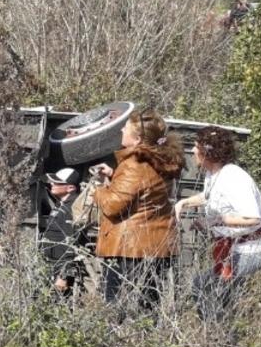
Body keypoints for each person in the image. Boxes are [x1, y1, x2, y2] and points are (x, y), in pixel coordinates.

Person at [93, 108, 184, 317]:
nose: (122, 130)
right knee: (147, 309)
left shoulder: (134, 164)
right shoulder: (160, 160)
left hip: (129, 249)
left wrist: (98, 190)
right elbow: (146, 189)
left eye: (126, 128)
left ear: (138, 139)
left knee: (118, 311)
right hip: (155, 246)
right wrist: (115, 175)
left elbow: (112, 206)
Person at [174, 126, 261, 318]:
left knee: (208, 287)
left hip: (249, 250)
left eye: (196, 146)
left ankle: (217, 334)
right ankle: (218, 330)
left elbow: (253, 218)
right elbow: (210, 196)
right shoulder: (214, 174)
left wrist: (219, 221)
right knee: (210, 289)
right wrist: (185, 202)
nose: (193, 151)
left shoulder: (233, 177)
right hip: (230, 249)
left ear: (207, 151)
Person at [40, 168, 92, 296]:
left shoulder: (73, 208)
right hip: (51, 264)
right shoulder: (60, 204)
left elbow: (72, 243)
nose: (52, 184)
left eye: (57, 182)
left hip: (61, 269)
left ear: (70, 188)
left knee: (59, 304)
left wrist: (63, 276)